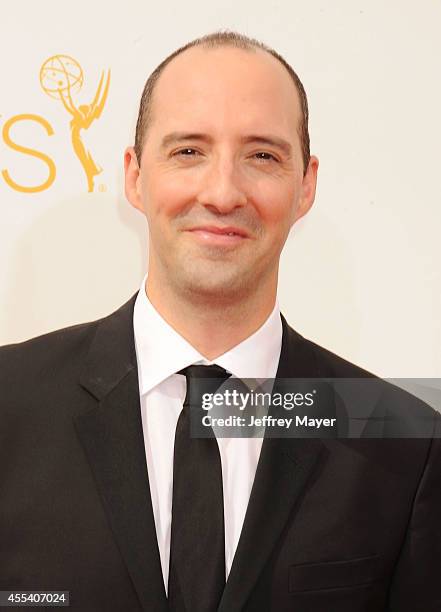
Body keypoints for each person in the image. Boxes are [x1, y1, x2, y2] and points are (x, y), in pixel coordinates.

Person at [0, 31, 440, 612]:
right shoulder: (10, 402)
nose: (223, 191)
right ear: (134, 176)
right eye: (188, 151)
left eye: (262, 155)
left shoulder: (405, 443)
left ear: (305, 185)